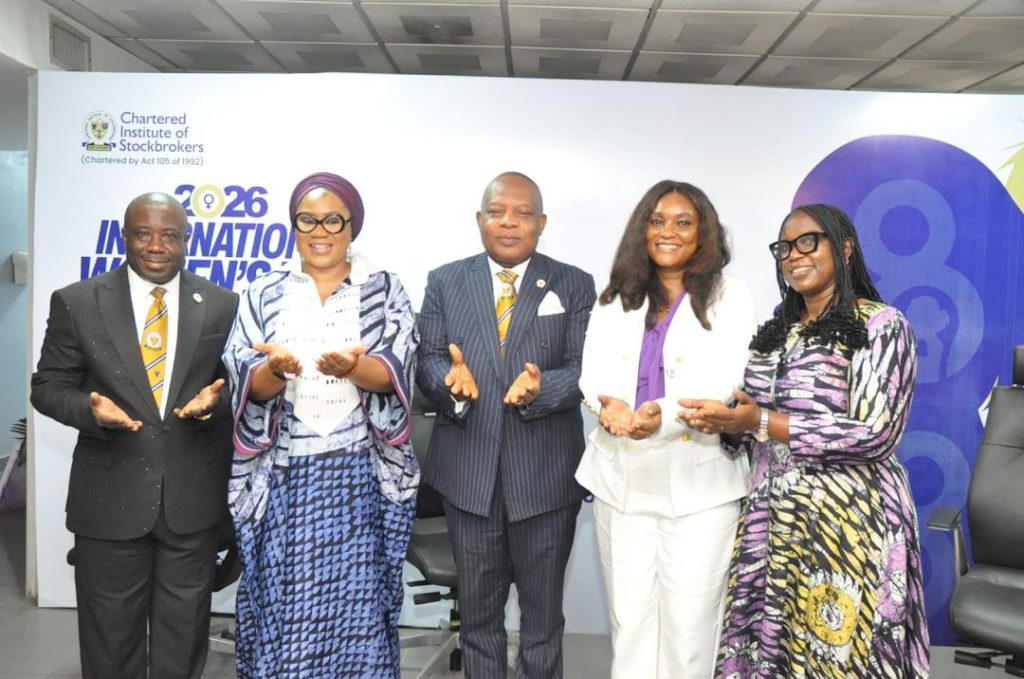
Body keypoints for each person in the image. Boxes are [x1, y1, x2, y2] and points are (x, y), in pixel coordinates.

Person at [680, 204, 929, 678]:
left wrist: (764, 422)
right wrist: (728, 422)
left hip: (849, 526)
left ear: (845, 248)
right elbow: (752, 423)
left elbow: (876, 433)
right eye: (784, 248)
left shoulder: (881, 326)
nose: (793, 255)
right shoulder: (777, 333)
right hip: (771, 522)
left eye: (807, 242)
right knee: (770, 651)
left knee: (836, 655)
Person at [31, 192, 238, 678]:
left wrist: (216, 404)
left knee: (183, 638)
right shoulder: (78, 302)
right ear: (124, 236)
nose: (156, 245)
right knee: (110, 639)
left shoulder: (221, 305)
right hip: (108, 500)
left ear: (187, 239)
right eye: (143, 233)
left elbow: (234, 387)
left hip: (192, 503)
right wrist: (89, 409)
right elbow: (47, 387)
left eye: (169, 234)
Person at [223, 172, 418, 678]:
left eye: (334, 219)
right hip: (285, 476)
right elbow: (245, 374)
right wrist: (274, 370)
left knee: (360, 605)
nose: (320, 229)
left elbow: (397, 368)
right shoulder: (263, 292)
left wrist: (352, 368)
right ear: (293, 226)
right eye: (307, 219)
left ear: (352, 225)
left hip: (359, 479)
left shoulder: (384, 289)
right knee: (282, 604)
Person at [416, 171, 596, 678]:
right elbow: (428, 358)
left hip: (545, 480)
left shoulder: (574, 283)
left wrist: (545, 390)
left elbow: (587, 366)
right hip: (468, 479)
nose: (509, 222)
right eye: (497, 212)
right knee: (478, 622)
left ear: (542, 223)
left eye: (522, 213)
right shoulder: (445, 281)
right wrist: (448, 383)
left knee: (542, 623)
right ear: (480, 219)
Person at [574, 181, 756, 677]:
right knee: (630, 623)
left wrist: (662, 414)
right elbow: (593, 371)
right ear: (642, 229)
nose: (668, 232)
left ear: (704, 233)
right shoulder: (617, 296)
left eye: (683, 221)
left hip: (699, 484)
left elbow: (727, 379)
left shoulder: (729, 295)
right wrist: (607, 405)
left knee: (691, 630)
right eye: (657, 220)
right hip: (621, 478)